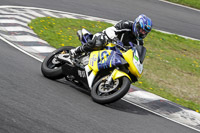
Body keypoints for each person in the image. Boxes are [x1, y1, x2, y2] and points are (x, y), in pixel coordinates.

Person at [69, 14, 152, 57]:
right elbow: (110, 30)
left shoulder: (139, 43)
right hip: (106, 39)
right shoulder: (126, 24)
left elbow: (136, 55)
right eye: (141, 30)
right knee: (99, 42)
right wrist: (116, 39)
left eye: (145, 32)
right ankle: (76, 51)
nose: (142, 33)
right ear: (137, 25)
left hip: (115, 52)